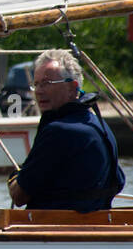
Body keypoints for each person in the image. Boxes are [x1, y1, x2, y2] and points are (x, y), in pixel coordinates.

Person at [7, 49, 124, 212]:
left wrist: (14, 177)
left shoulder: (58, 132)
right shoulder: (99, 125)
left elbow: (19, 196)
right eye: (36, 84)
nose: (39, 91)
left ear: (72, 87)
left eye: (47, 83)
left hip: (56, 229)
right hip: (97, 225)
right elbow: (118, 181)